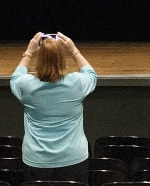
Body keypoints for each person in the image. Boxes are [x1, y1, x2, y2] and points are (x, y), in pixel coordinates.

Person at [10, 32, 97, 183]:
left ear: (40, 59)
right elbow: (90, 73)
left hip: (37, 160)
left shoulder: (26, 86)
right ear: (62, 58)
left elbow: (15, 77)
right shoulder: (77, 83)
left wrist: (29, 52)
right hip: (73, 159)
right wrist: (74, 50)